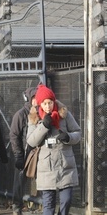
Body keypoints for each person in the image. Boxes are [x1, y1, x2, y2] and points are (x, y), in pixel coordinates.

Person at [26, 84, 81, 215]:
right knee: (48, 204)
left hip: (65, 165)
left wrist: (68, 137)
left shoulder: (64, 114)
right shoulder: (34, 117)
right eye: (44, 103)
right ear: (39, 104)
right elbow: (31, 141)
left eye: (50, 102)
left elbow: (78, 133)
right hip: (46, 167)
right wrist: (44, 126)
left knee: (66, 201)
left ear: (53, 101)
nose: (47, 106)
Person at [9, 86, 37, 215]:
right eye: (34, 98)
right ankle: (17, 206)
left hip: (39, 153)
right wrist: (19, 155)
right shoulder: (20, 114)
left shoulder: (42, 113)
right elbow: (14, 136)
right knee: (20, 181)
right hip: (25, 153)